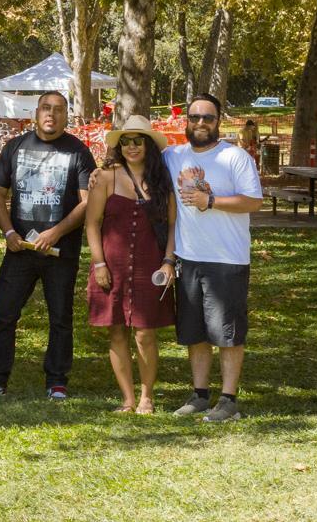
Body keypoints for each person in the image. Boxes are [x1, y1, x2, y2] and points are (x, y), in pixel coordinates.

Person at [0, 89, 95, 401]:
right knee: (4, 315)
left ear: (67, 116)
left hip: (60, 253)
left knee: (60, 318)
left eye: (58, 109)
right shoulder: (15, 147)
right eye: (45, 108)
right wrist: (8, 232)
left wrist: (55, 232)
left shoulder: (79, 152)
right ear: (36, 113)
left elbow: (87, 202)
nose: (51, 114)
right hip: (19, 250)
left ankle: (57, 382)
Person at [166, 93, 263, 422]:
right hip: (188, 258)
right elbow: (135, 161)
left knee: (228, 333)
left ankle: (229, 400)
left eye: (208, 118)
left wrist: (211, 201)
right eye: (195, 117)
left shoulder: (235, 157)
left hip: (227, 259)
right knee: (194, 332)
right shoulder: (173, 155)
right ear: (186, 121)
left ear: (218, 121)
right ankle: (200, 395)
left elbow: (253, 201)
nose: (201, 123)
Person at [85, 115, 177, 413]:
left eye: (138, 141)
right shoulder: (105, 177)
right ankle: (127, 398)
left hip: (151, 265)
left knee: (145, 332)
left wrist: (169, 261)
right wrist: (99, 263)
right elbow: (92, 223)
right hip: (112, 264)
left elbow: (173, 225)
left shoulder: (163, 180)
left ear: (148, 145)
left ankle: (147, 396)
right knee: (116, 331)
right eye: (126, 142)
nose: (132, 147)